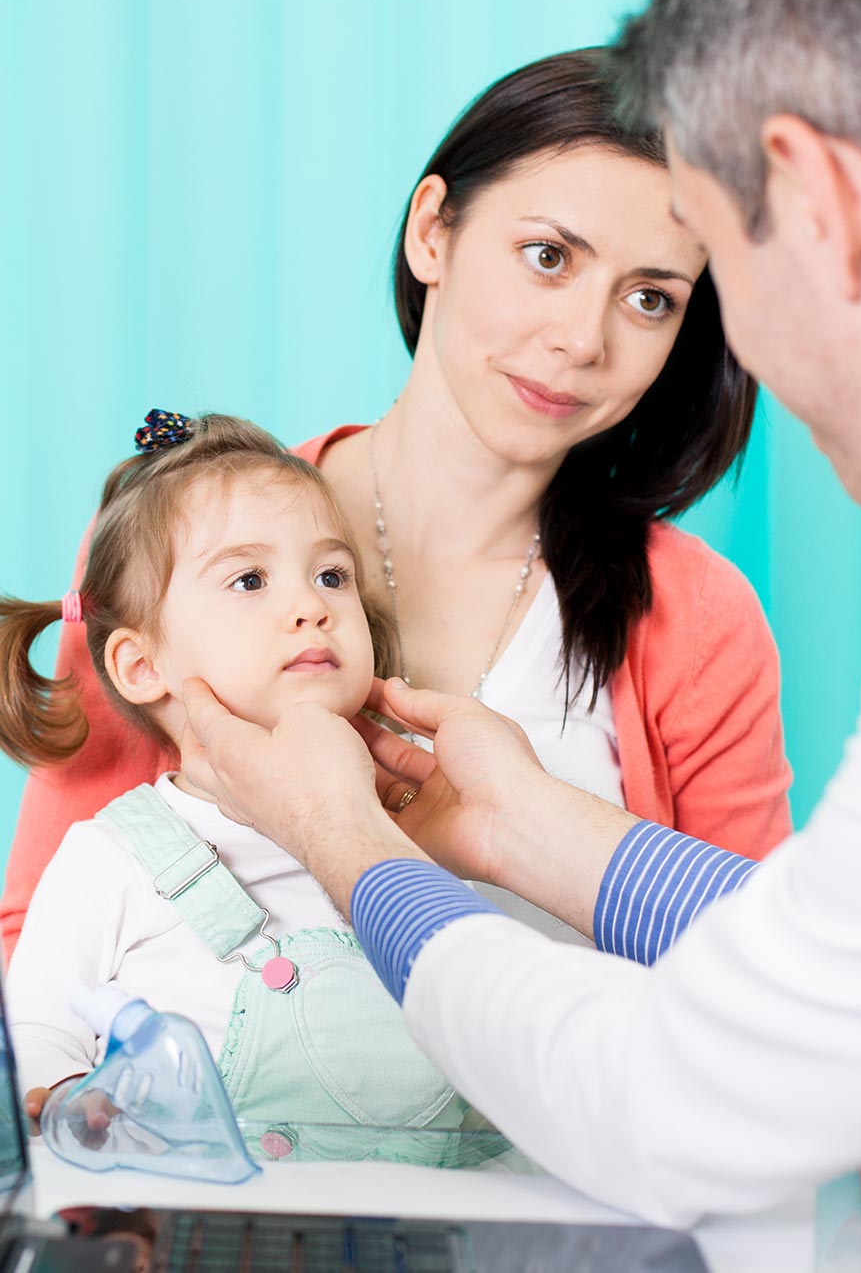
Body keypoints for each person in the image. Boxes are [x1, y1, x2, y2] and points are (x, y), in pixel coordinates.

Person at [181, 0, 861, 1266]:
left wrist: (339, 831)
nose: (732, 359)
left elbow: (672, 1093)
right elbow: (844, 971)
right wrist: (529, 824)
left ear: (816, 202)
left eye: (686, 280)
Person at [0, 49, 792, 960]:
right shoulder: (179, 538)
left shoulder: (697, 618)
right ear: (432, 234)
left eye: (651, 298)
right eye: (547, 256)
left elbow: (765, 981)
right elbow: (41, 936)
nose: (581, 339)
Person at [0, 412, 483, 1164]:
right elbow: (33, 1026)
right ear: (140, 666)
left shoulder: (415, 829)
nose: (311, 605)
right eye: (249, 580)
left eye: (332, 576)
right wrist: (68, 1095)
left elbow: (496, 1010)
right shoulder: (111, 858)